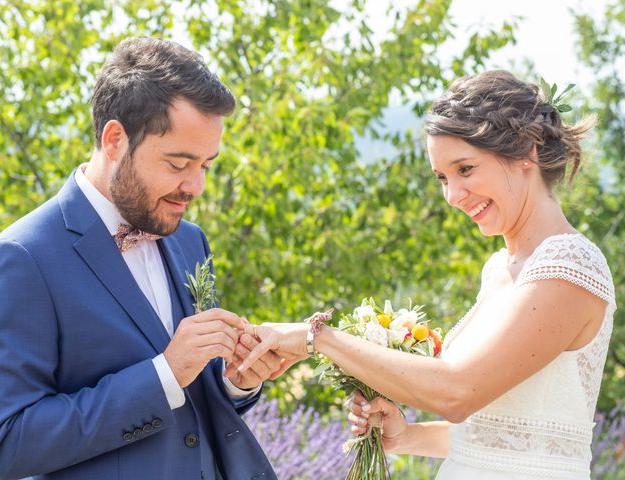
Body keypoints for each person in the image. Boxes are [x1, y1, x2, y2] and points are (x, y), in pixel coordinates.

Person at [238, 70, 616, 479]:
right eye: (442, 178)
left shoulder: (570, 266)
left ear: (527, 150)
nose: (452, 196)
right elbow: (506, 438)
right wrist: (406, 436)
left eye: (466, 169)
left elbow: (458, 392)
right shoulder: (500, 270)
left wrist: (317, 338)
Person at [0, 37, 281, 480]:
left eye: (206, 165)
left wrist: (234, 381)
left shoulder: (190, 240)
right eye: (179, 164)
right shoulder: (22, 258)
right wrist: (163, 374)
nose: (195, 187)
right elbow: (7, 444)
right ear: (115, 139)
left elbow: (194, 402)